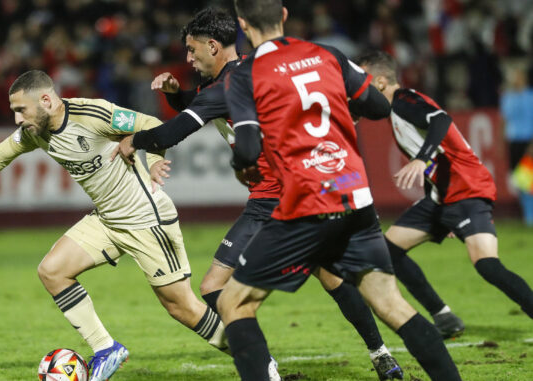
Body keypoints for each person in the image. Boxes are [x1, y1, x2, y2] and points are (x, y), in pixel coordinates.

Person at [112, 7, 402, 379]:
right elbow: (204, 104)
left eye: (192, 49)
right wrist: (177, 96)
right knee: (331, 277)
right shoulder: (251, 68)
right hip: (302, 189)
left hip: (271, 199)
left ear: (213, 46)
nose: (188, 57)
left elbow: (172, 133)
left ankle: (264, 368)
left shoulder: (225, 87)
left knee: (214, 286)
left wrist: (134, 141)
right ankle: (382, 356)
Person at [217, 1, 462, 380]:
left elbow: (248, 148)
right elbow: (380, 106)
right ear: (283, 15)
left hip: (304, 202)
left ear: (242, 24)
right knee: (392, 304)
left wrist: (241, 167)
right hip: (355, 196)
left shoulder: (244, 74)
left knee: (233, 302)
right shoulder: (327, 54)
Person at [0, 70, 229, 381]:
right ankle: (106, 349)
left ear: (46, 100)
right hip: (108, 219)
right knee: (52, 270)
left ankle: (255, 358)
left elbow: (150, 124)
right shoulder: (36, 131)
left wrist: (153, 162)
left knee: (182, 308)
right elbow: (3, 152)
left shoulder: (92, 114)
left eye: (21, 110)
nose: (18, 119)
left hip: (146, 218)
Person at [355, 51, 533, 330]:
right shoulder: (395, 110)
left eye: (361, 79)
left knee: (487, 265)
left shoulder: (404, 100)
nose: (358, 87)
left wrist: (421, 159)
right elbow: (438, 156)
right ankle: (444, 316)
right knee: (387, 250)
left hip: (467, 190)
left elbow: (440, 120)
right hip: (442, 198)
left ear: (379, 82)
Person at [500, 64, 533, 226]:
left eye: (518, 77)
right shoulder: (507, 97)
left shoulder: (530, 96)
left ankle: (530, 214)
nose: (516, 80)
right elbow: (504, 121)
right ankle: (528, 213)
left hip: (528, 141)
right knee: (519, 179)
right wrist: (502, 143)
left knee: (528, 179)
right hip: (513, 142)